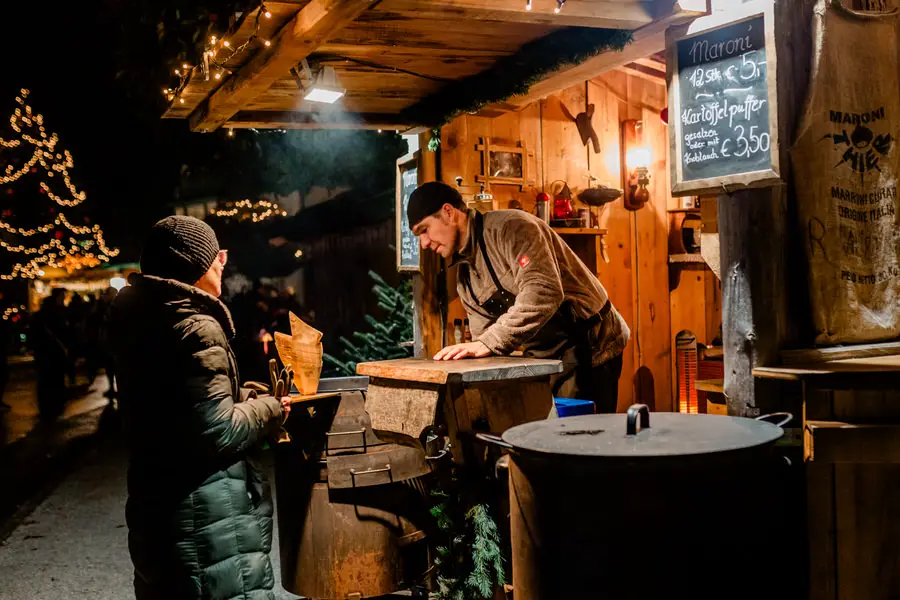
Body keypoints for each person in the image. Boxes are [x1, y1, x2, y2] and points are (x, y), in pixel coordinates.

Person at [109, 216, 289, 600]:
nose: (223, 260)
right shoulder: (195, 326)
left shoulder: (143, 319)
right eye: (215, 254)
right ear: (193, 263)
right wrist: (273, 408)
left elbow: (181, 409)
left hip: (160, 509)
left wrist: (244, 399)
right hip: (206, 521)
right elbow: (217, 429)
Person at [408, 181, 630, 413]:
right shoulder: (465, 278)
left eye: (424, 230)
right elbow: (483, 339)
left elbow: (543, 291)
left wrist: (487, 343)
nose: (423, 243)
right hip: (545, 357)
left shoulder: (512, 228)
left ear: (448, 212)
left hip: (590, 342)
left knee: (581, 439)